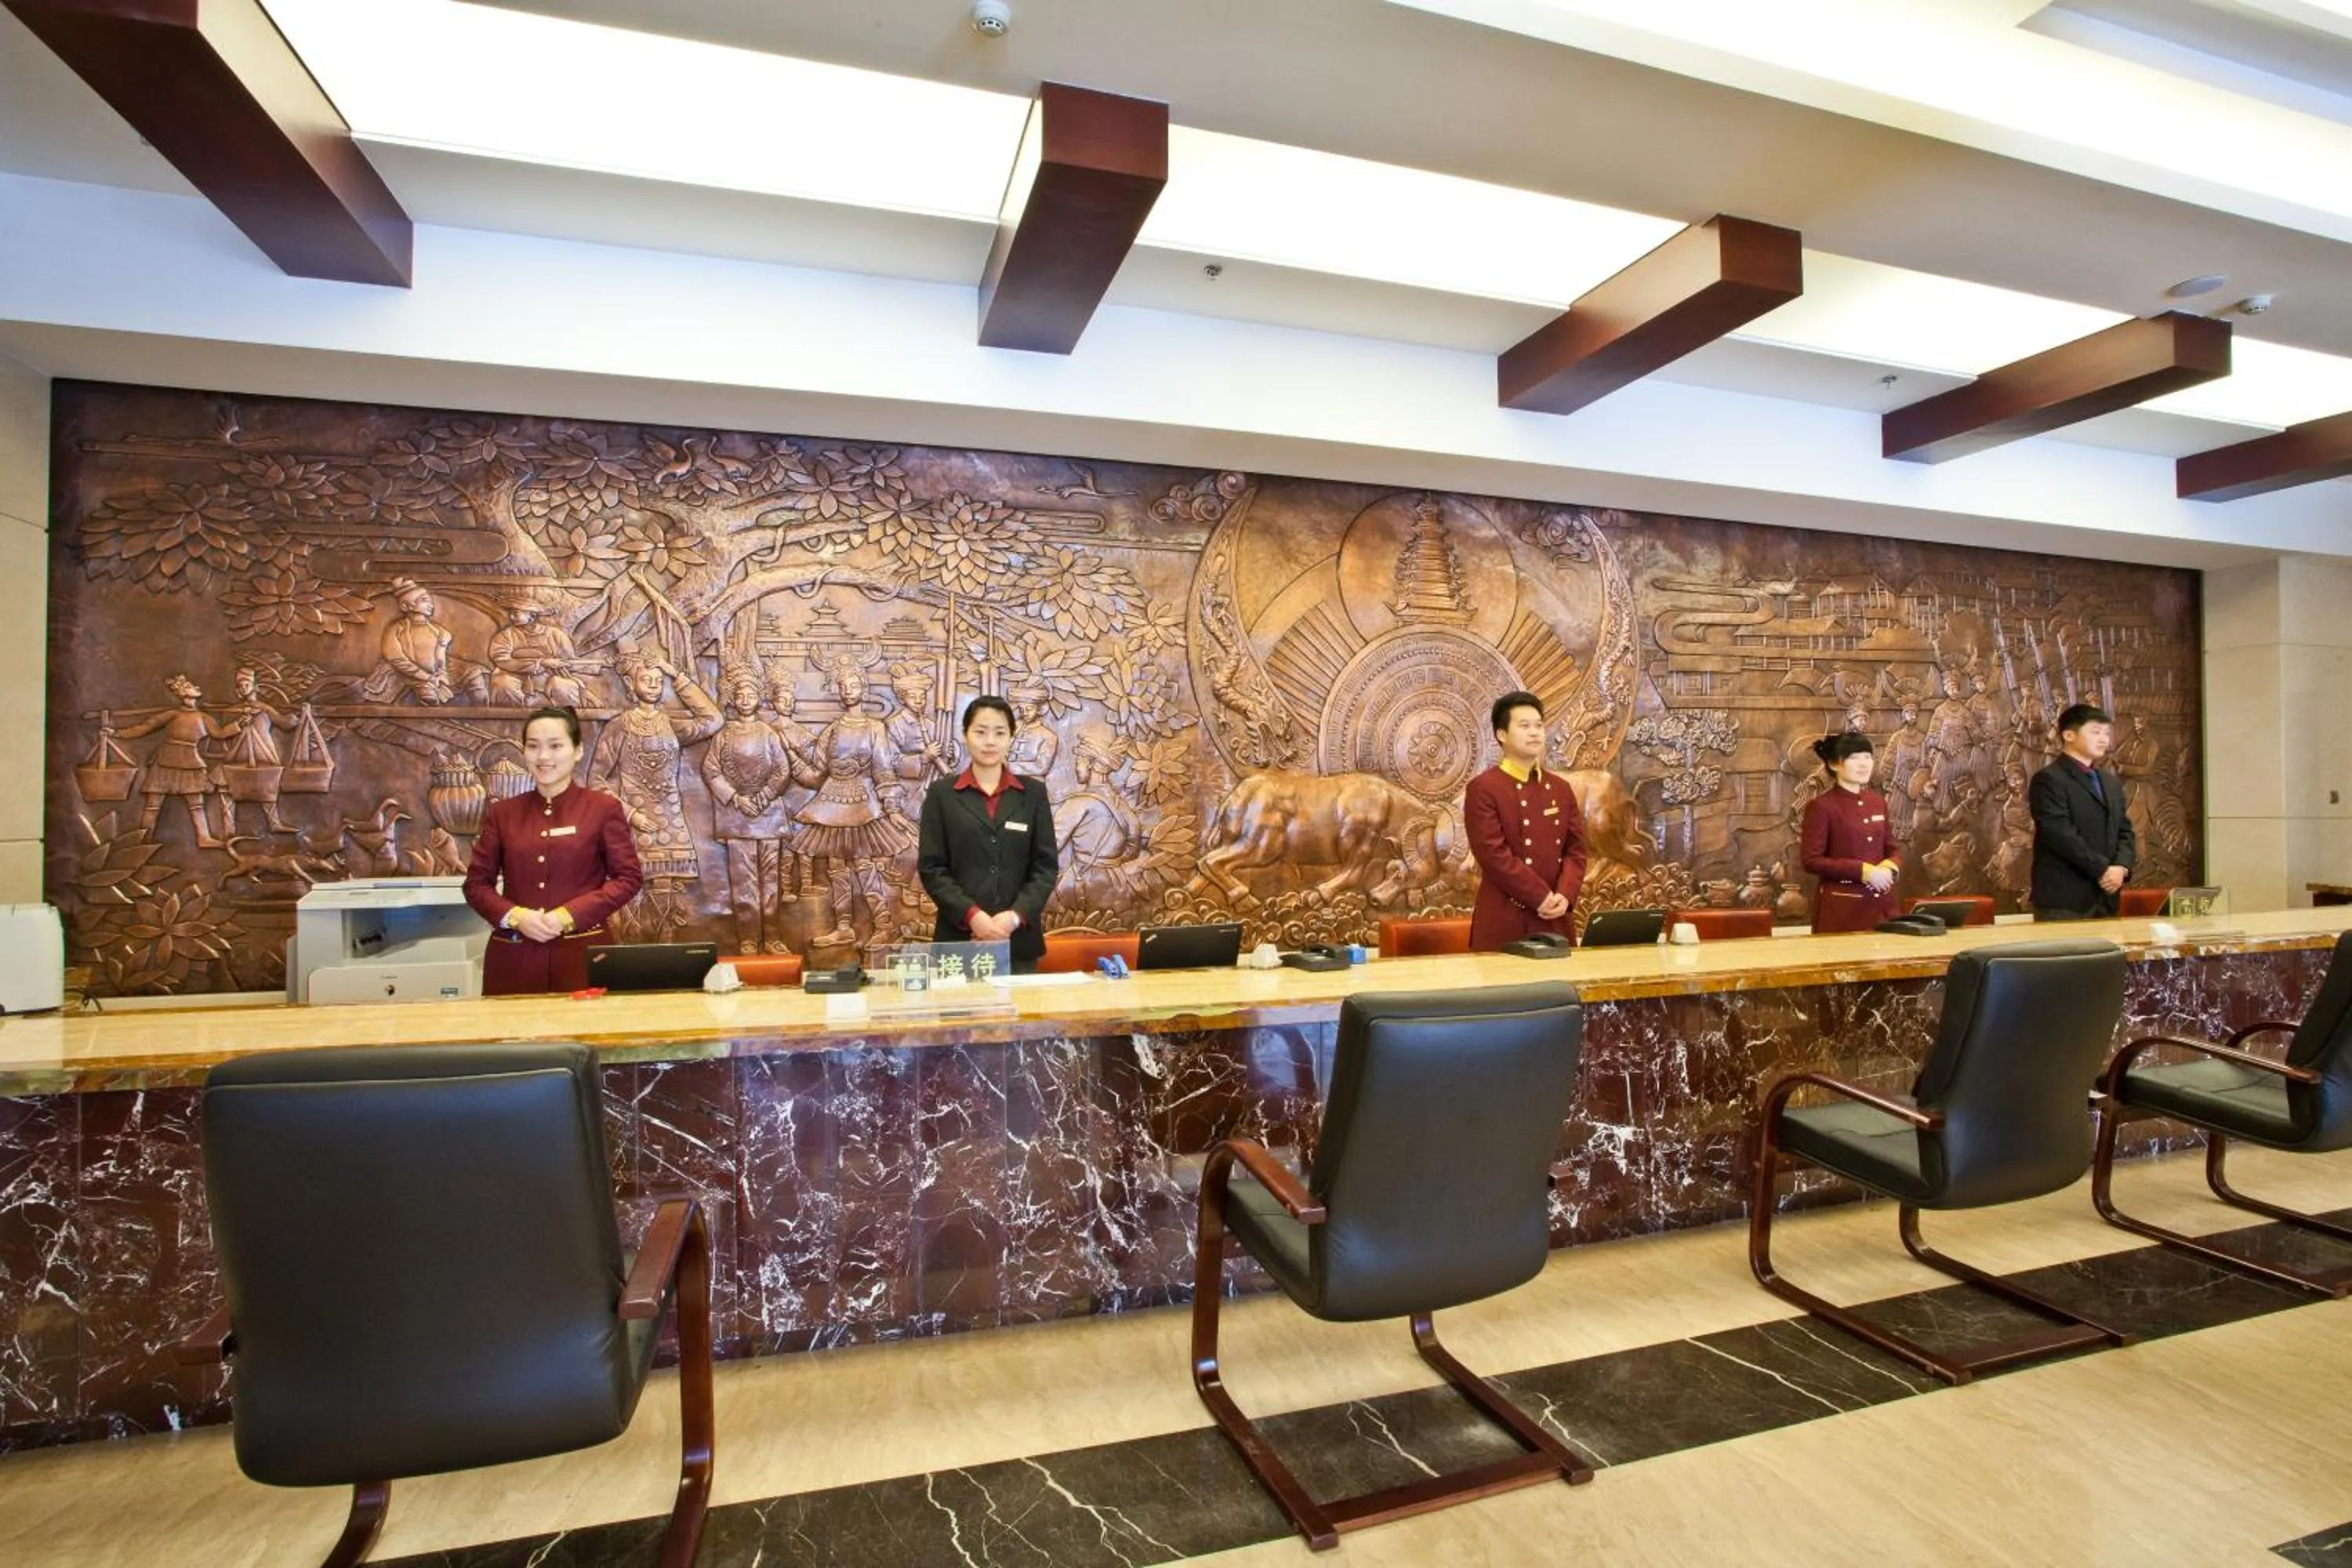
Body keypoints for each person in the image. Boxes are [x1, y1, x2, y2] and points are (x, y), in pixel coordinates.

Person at [463, 706, 644, 996]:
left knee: (585, 1040)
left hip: (584, 956)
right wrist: (515, 916)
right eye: (533, 746)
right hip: (514, 959)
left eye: (555, 746)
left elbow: (628, 878)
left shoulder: (602, 808)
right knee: (515, 1040)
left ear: (577, 751)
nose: (543, 757)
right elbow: (475, 885)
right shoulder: (503, 813)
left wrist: (568, 915)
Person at [916, 695, 1061, 971]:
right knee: (960, 1015)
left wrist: (1014, 917)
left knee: (1020, 1015)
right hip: (960, 940)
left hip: (1018, 942)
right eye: (980, 732)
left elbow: (1045, 867)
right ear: (965, 735)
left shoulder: (1032, 794)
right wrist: (973, 917)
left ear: (1011, 738)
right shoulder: (942, 795)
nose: (990, 741)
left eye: (1000, 732)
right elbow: (932, 868)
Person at [1465, 691, 1588, 951]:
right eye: (1525, 726)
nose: (1535, 733)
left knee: (1562, 991)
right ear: (1502, 735)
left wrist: (1565, 895)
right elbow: (1494, 855)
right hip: (1506, 918)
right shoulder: (1484, 788)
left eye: (1539, 726)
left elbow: (1575, 851)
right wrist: (1539, 897)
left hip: (1556, 916)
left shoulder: (1560, 788)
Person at [2028, 701, 2136, 920]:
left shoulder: (2110, 782)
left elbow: (2125, 830)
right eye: (2095, 732)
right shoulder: (2049, 779)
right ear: (2069, 735)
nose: (2104, 739)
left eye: (2107, 733)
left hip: (2107, 897)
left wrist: (2121, 868)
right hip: (2065, 899)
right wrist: (2103, 870)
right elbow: (2059, 834)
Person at [1798, 731, 1901, 933]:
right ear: (1834, 764)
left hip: (1883, 906)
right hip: (1843, 909)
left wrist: (1889, 868)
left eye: (1867, 757)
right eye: (1854, 758)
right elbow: (1811, 860)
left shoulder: (1877, 802)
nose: (1863, 764)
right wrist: (1865, 871)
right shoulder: (1821, 806)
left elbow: (1893, 849)